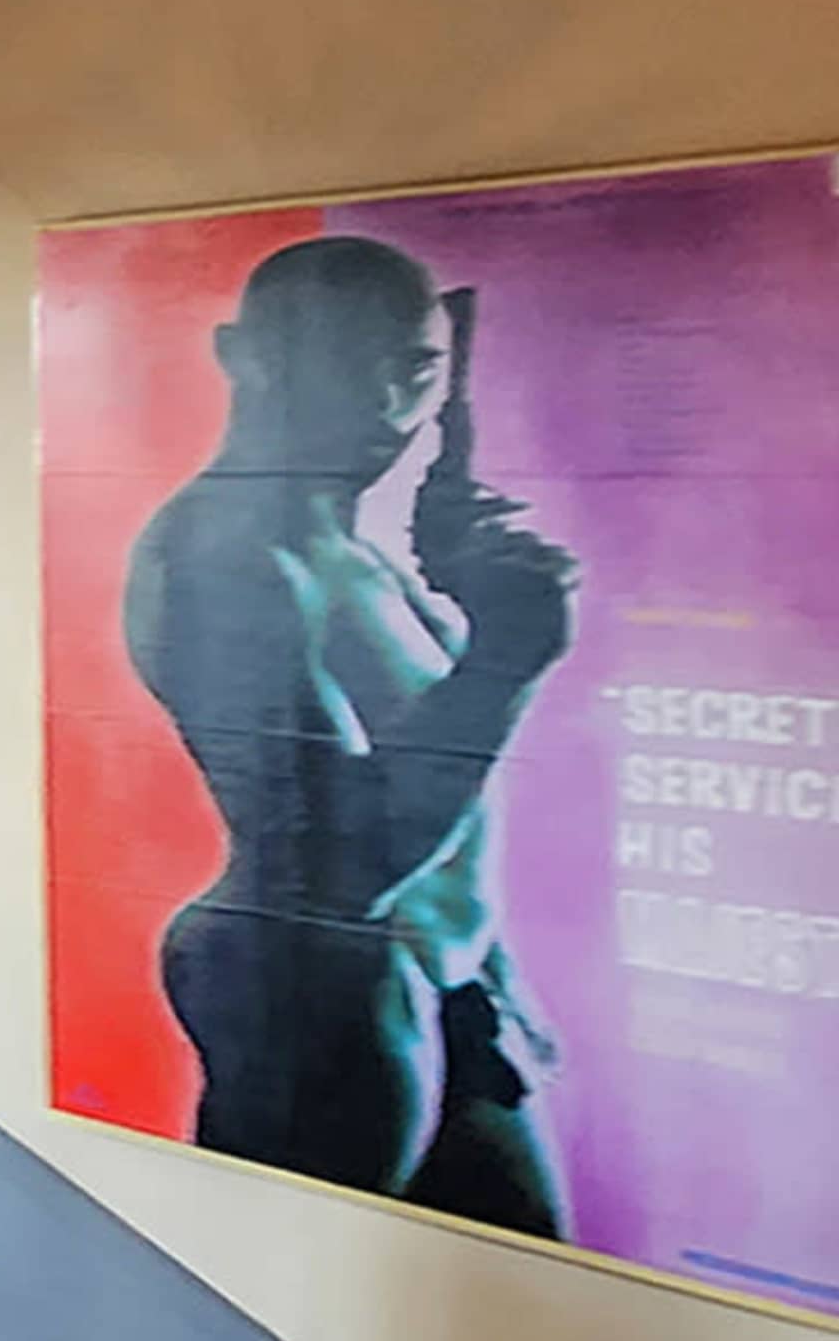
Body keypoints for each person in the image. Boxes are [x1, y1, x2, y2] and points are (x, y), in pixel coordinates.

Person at [124, 234, 578, 1235]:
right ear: (245, 354)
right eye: (343, 361)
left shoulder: (348, 547)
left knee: (543, 1306)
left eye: (409, 369)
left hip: (438, 987)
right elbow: (336, 865)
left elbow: (435, 801)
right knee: (290, 1317)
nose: (384, 405)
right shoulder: (227, 560)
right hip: (319, 988)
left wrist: (489, 960)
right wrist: (502, 660)